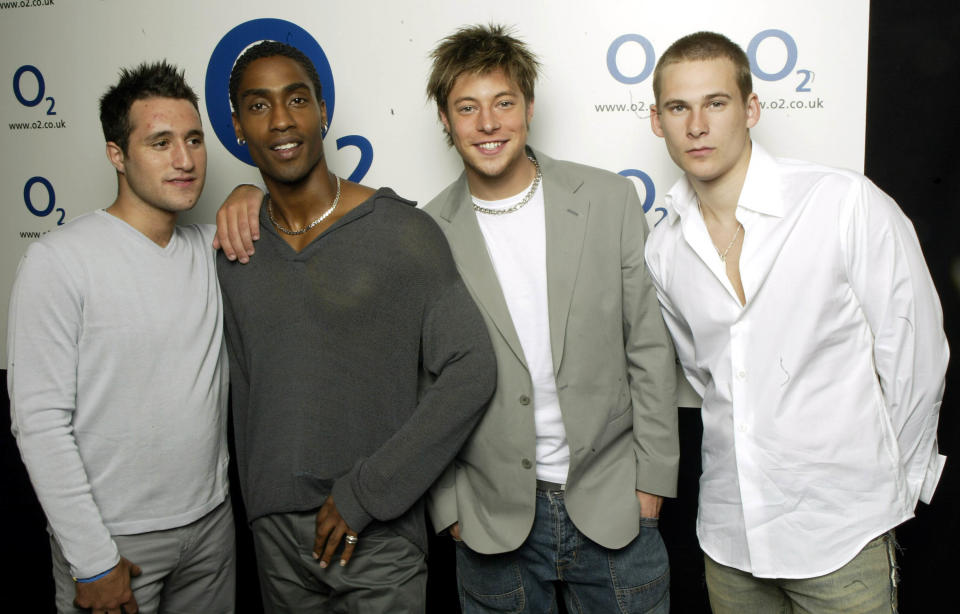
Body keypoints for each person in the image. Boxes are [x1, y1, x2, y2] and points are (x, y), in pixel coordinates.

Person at [644, 31, 949, 613]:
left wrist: (893, 493)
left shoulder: (843, 204)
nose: (697, 125)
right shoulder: (664, 248)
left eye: (716, 103)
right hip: (730, 541)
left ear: (751, 109)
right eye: (678, 108)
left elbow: (917, 357)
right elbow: (706, 377)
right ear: (658, 122)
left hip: (842, 537)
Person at [218, 41, 496, 613]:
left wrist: (367, 495)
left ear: (323, 112)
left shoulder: (402, 231)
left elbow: (472, 370)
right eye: (258, 105)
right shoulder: (234, 246)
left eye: (296, 99)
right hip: (274, 543)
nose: (281, 120)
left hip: (375, 537)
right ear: (239, 128)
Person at [422, 24, 677, 613]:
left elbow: (649, 345)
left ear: (529, 108)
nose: (488, 123)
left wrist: (653, 482)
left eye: (503, 102)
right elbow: (425, 382)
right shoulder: (427, 234)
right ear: (445, 119)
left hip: (615, 503)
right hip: (491, 518)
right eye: (467, 107)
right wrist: (449, 505)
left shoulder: (607, 200)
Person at [8, 61, 234, 614]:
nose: (184, 160)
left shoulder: (214, 249)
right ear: (117, 155)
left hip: (212, 529)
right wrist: (93, 560)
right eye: (160, 142)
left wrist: (247, 191)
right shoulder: (58, 261)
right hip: (115, 542)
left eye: (193, 140)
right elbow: (38, 423)